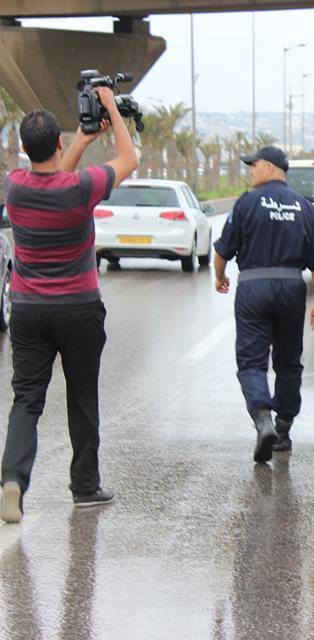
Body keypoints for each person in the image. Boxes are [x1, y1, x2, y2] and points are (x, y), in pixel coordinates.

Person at [0, 95, 137, 523]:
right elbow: (128, 159)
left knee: (27, 399)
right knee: (81, 396)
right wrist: (111, 108)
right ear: (57, 145)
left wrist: (80, 140)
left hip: (28, 310)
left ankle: (12, 479)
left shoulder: (14, 186)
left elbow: (51, 176)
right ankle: (85, 487)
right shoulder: (80, 190)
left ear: (25, 148)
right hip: (78, 307)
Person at [214, 146, 314, 464]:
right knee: (288, 361)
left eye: (254, 165)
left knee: (252, 361)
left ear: (268, 167)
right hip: (291, 287)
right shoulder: (304, 206)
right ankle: (283, 429)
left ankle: (263, 418)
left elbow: (222, 250)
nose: (251, 171)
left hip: (254, 287)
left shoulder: (247, 202)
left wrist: (220, 276)